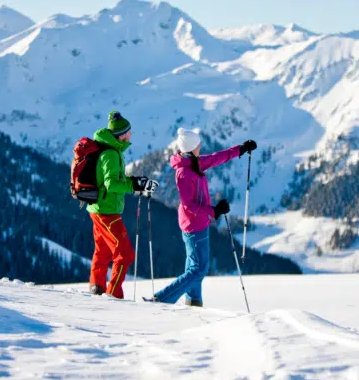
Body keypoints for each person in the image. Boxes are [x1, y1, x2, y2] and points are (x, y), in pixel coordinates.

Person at [144, 128, 257, 307]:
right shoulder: (184, 173)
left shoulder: (194, 163)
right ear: (191, 148)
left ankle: (193, 301)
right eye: (198, 145)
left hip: (199, 223)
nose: (200, 147)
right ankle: (161, 300)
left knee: (194, 267)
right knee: (198, 270)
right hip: (193, 225)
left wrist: (240, 149)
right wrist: (214, 211)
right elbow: (189, 205)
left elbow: (216, 157)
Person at [88, 110, 158, 298]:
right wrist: (134, 184)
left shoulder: (110, 149)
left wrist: (136, 182)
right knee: (125, 254)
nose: (131, 135)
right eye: (129, 132)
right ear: (122, 134)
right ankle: (114, 293)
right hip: (106, 210)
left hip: (101, 208)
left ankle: (97, 286)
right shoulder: (111, 153)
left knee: (102, 250)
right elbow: (111, 184)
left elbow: (112, 180)